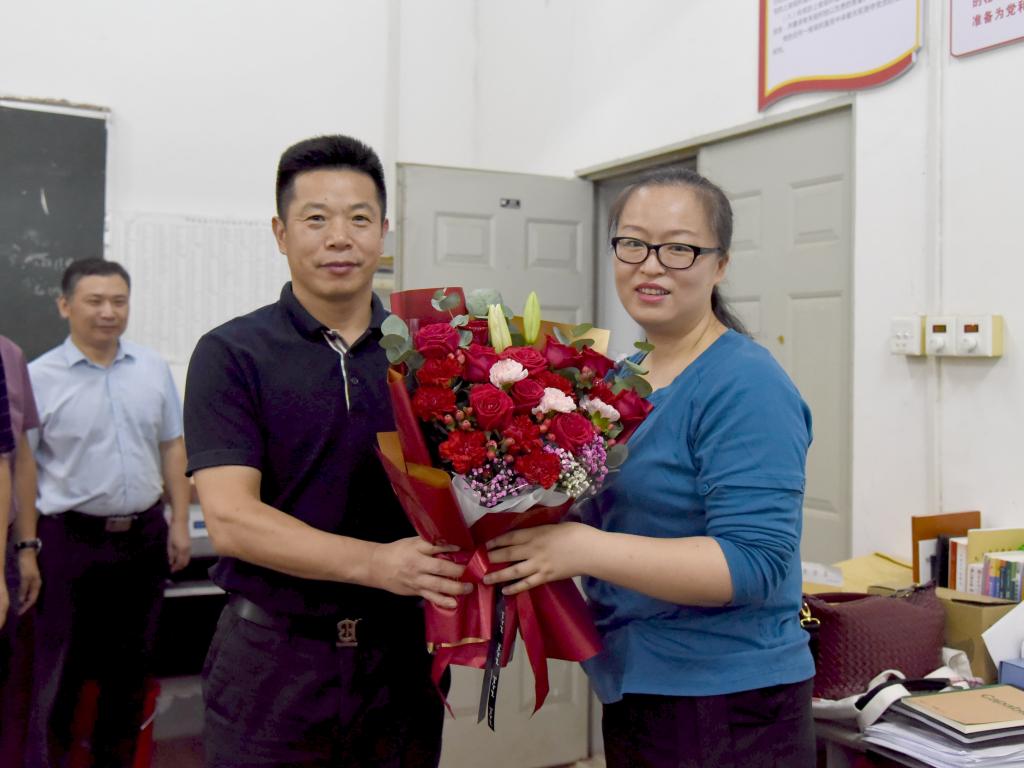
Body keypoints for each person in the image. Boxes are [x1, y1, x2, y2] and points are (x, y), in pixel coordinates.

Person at [485, 168, 816, 768]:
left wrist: (581, 549)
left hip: (726, 699)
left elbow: (753, 563)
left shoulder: (746, 383)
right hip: (641, 683)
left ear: (720, 265)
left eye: (679, 248)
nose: (651, 266)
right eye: (633, 244)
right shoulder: (620, 380)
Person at [184, 134, 469, 768]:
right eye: (316, 219)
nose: (340, 238)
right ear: (281, 233)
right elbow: (231, 520)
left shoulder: (431, 354)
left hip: (401, 661)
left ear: (383, 233)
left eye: (359, 219)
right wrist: (377, 564)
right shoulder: (232, 353)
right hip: (273, 664)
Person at [25, 258, 192, 768]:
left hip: (143, 537)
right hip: (68, 541)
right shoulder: (38, 377)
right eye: (95, 301)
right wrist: (26, 549)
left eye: (119, 301)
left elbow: (172, 446)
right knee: (63, 672)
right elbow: (24, 470)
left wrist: (179, 523)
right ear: (65, 305)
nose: (108, 312)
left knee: (130, 670)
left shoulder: (151, 368)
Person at [0, 334, 42, 761]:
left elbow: (20, 458)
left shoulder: (9, 354)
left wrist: (26, 547)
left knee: (12, 694)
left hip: (5, 550)